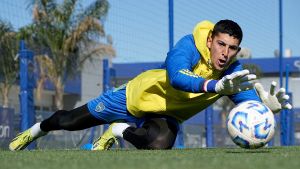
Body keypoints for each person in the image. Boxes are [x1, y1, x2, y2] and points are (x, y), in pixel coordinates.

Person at [9, 19, 292, 151]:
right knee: (69, 120)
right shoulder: (189, 46)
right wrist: (213, 87)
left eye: (232, 48)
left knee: (159, 145)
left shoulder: (233, 72)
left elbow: (246, 103)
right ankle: (34, 132)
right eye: (221, 44)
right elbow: (176, 78)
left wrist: (263, 107)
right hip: (135, 95)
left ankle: (117, 130)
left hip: (166, 114)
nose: (225, 53)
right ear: (210, 40)